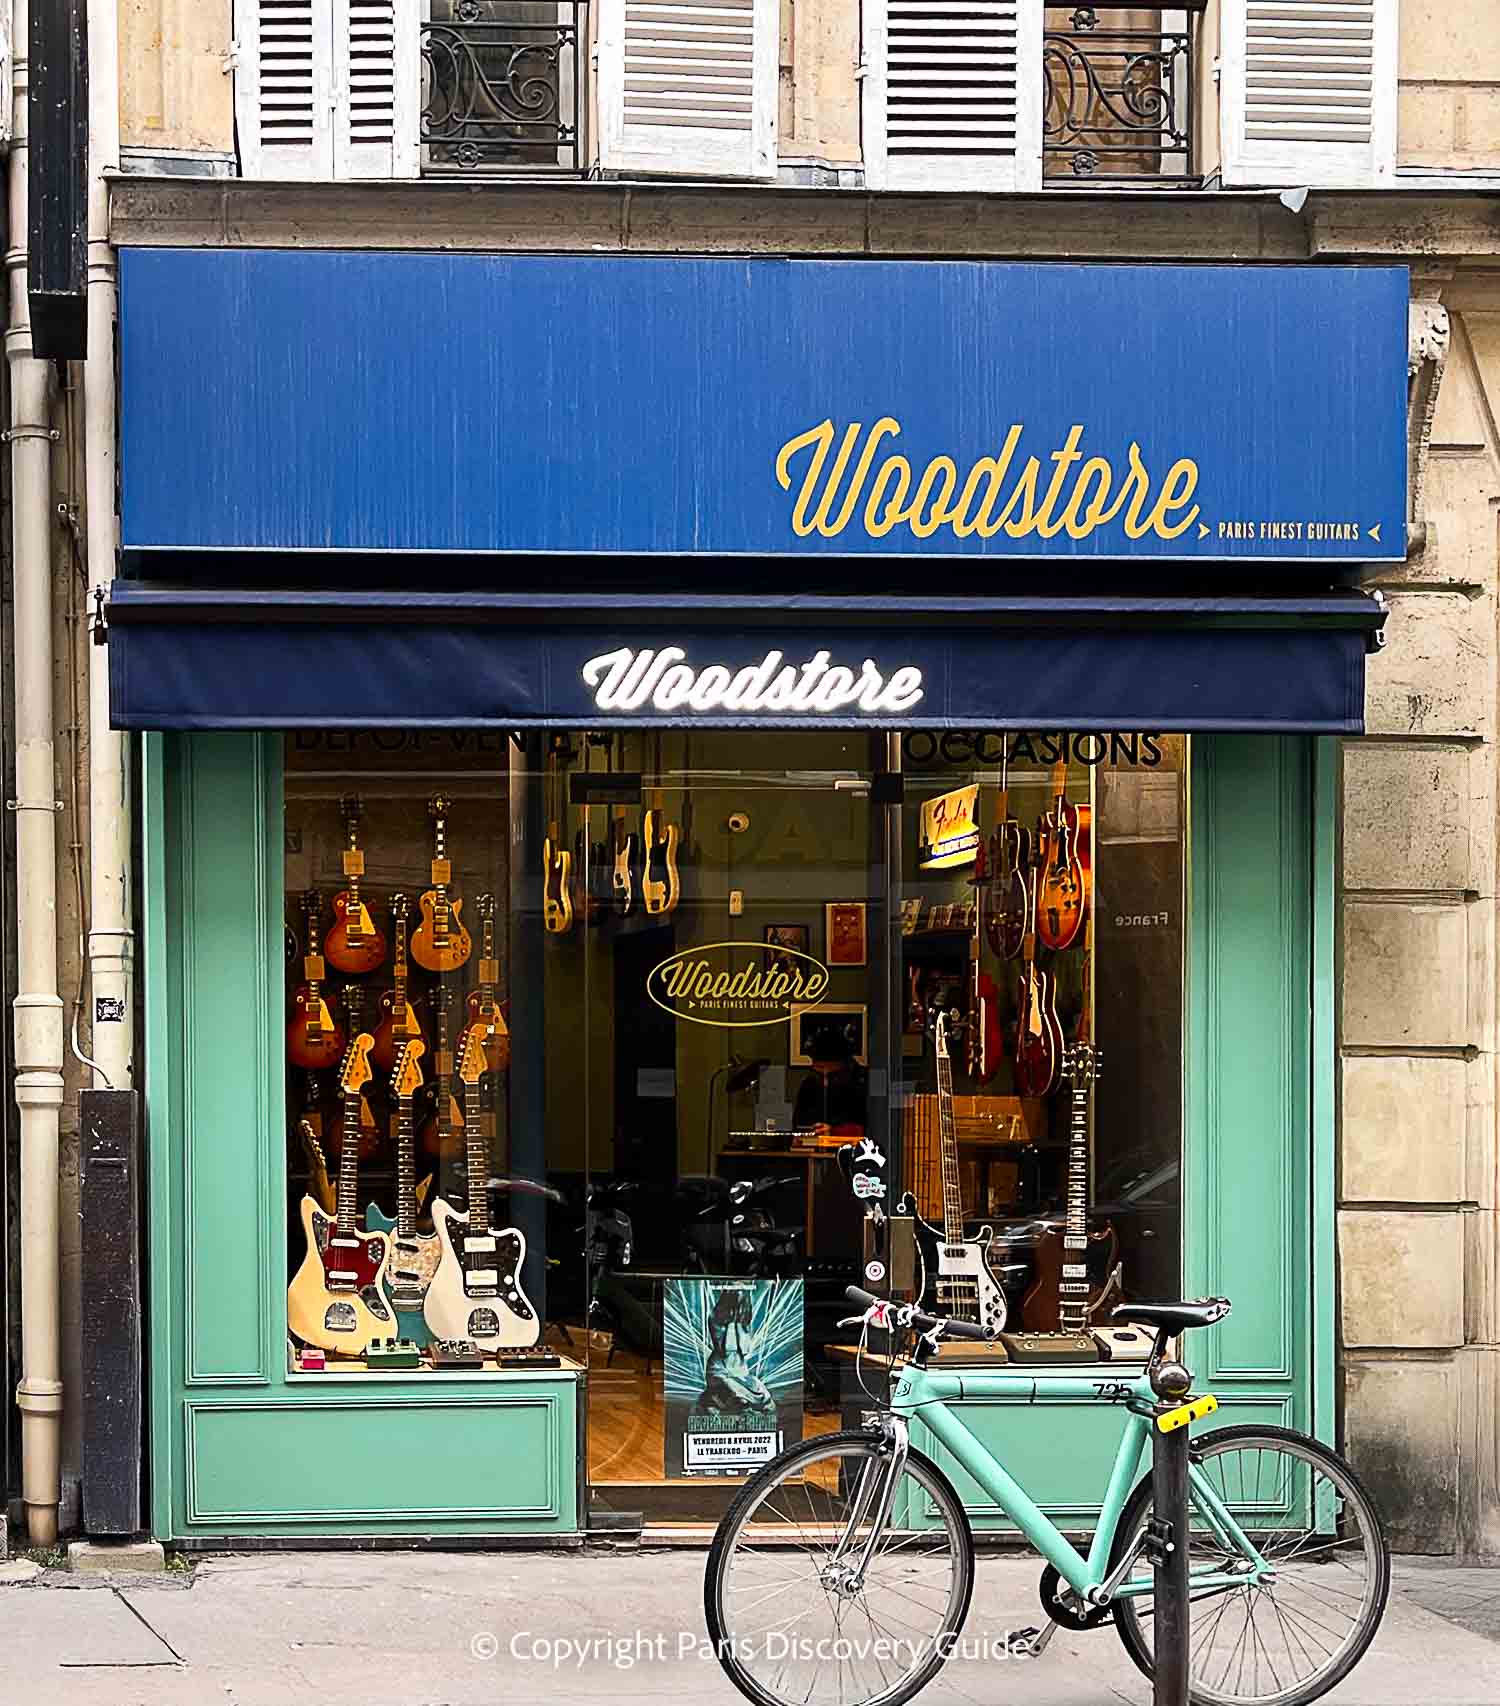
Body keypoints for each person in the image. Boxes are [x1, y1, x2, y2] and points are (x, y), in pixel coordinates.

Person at [792, 1023, 867, 1136]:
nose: (825, 1082)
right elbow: (799, 1123)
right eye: (819, 1074)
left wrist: (835, 1132)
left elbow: (873, 1128)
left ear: (845, 1067)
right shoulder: (809, 1084)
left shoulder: (862, 1084)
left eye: (833, 1076)